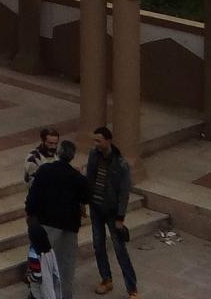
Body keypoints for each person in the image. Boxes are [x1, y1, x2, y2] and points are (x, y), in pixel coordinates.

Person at [26, 139, 86, 295]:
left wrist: (30, 213)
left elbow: (34, 194)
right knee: (66, 265)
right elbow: (86, 197)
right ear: (72, 157)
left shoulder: (45, 170)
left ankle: (40, 294)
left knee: (42, 263)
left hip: (47, 223)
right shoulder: (77, 177)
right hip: (69, 226)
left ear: (58, 153)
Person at [85, 126, 138, 296]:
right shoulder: (94, 155)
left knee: (119, 250)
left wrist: (120, 217)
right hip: (96, 208)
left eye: (99, 140)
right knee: (98, 245)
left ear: (108, 141)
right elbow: (89, 178)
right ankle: (106, 279)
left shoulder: (121, 163)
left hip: (112, 212)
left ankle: (132, 288)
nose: (96, 144)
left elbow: (124, 193)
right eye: (95, 140)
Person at [25, 126, 61, 190]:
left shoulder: (57, 155)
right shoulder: (33, 159)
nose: (53, 147)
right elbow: (34, 185)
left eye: (56, 144)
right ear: (42, 141)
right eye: (50, 143)